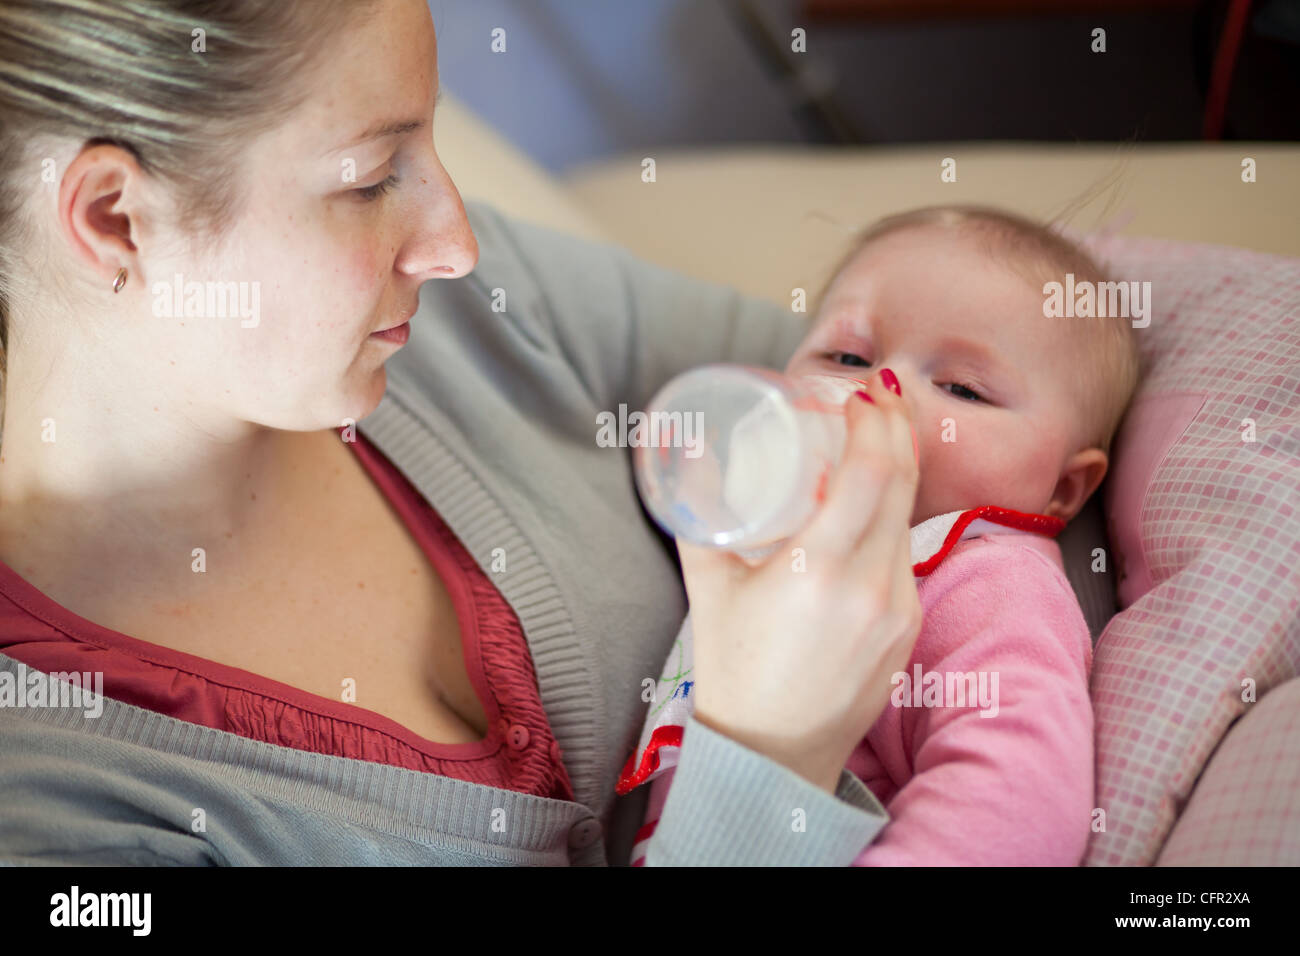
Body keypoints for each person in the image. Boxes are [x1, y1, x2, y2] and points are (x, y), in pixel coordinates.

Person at [0, 0, 920, 865]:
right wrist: (767, 760)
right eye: (368, 182)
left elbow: (945, 389)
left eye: (432, 139)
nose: (457, 244)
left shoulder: (473, 316)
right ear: (114, 218)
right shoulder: (50, 809)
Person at [620, 205, 1140, 865]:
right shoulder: (769, 525)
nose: (877, 392)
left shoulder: (982, 583)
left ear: (1063, 489)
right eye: (846, 355)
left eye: (962, 389)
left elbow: (1015, 797)